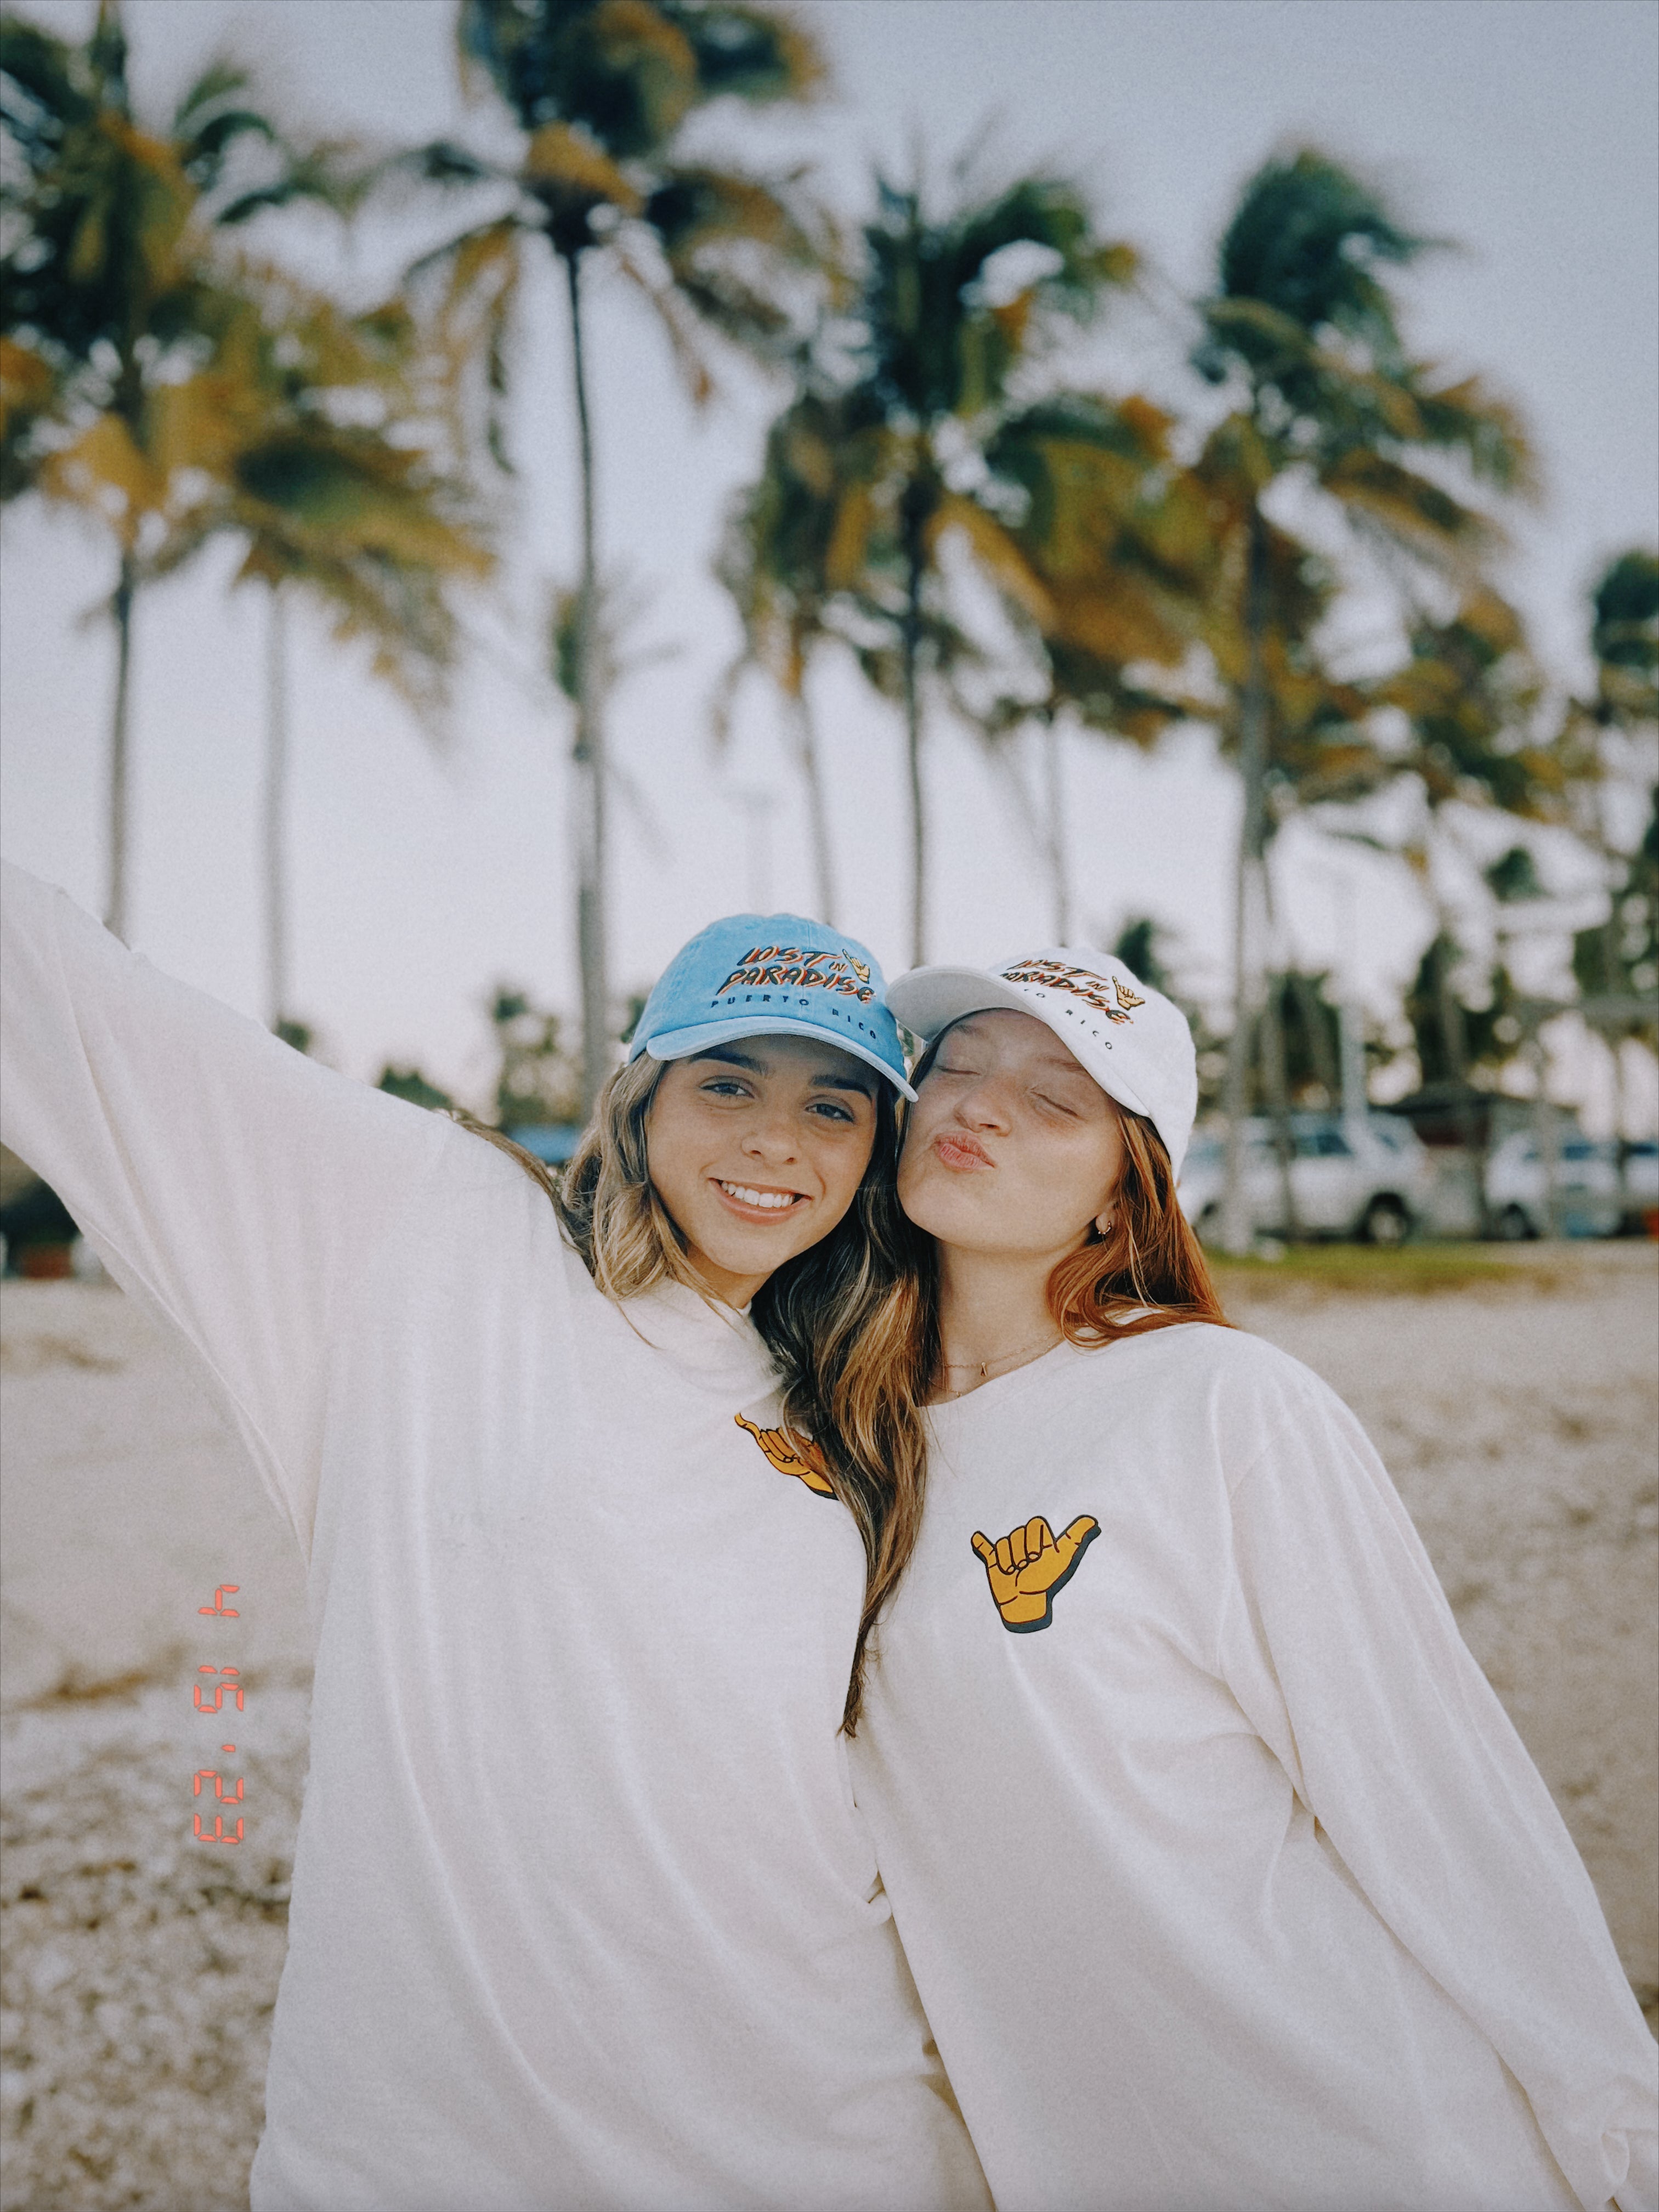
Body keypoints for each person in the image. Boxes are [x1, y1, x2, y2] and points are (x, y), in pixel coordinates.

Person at [0, 862, 991, 2212]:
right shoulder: (436, 1241)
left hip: (826, 2135)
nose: (778, 1140)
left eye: (833, 1105)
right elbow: (70, 996)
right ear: (637, 1098)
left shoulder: (854, 1401)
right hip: (435, 2155)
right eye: (728, 1082)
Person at [843, 943, 1658, 2212]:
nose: (978, 1105)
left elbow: (1428, 1783)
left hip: (1359, 2139)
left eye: (1056, 1099)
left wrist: (1617, 2120)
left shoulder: (1221, 1403)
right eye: (952, 1065)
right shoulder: (841, 1447)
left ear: (1127, 1193)